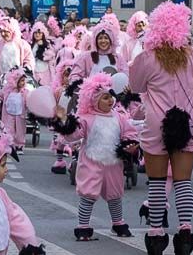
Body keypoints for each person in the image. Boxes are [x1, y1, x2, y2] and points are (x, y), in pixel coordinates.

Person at [127, 1, 193, 255]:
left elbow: (135, 85)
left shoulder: (146, 57)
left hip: (156, 122)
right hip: (186, 122)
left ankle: (155, 234)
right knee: (182, 181)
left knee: (156, 182)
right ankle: (185, 231)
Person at [51, 73, 140, 241]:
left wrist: (130, 144)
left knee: (115, 195)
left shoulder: (118, 117)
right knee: (88, 194)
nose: (110, 101)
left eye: (111, 97)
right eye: (105, 98)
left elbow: (130, 132)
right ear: (93, 100)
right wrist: (64, 126)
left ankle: (118, 222)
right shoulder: (86, 118)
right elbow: (74, 135)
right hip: (91, 162)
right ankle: (83, 226)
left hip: (113, 162)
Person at [75, 15, 120, 79]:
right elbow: (75, 76)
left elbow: (124, 76)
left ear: (111, 40)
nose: (103, 41)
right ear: (95, 41)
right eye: (100, 38)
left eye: (106, 38)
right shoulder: (85, 57)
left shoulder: (118, 58)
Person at [0, 69, 29, 152]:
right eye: (21, 81)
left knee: (20, 130)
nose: (23, 83)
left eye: (24, 81)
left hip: (20, 115)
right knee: (8, 128)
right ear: (15, 81)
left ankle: (19, 145)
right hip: (8, 115)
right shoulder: (7, 92)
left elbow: (28, 101)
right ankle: (8, 144)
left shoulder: (25, 92)